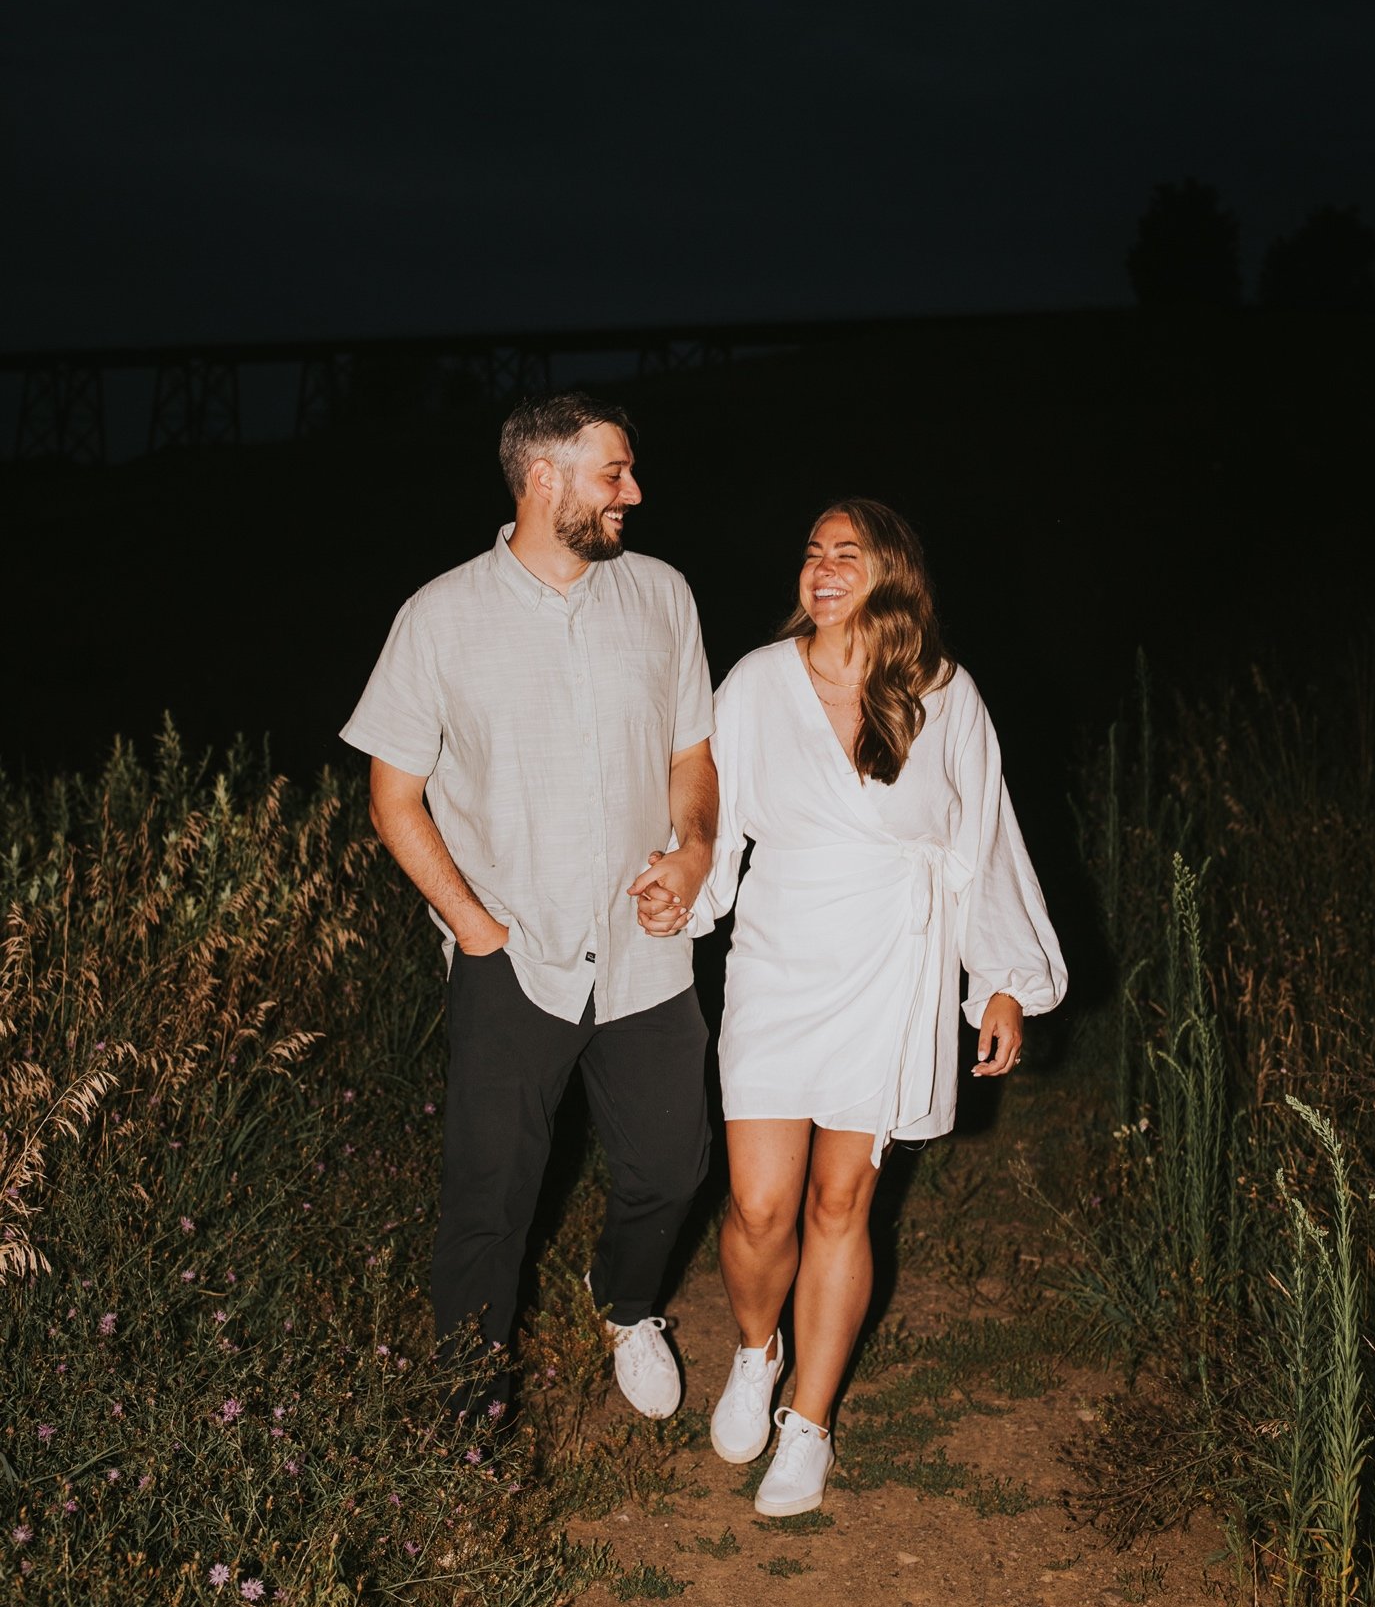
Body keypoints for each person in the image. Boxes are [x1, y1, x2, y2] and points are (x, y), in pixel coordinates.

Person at [636, 499, 1065, 1517]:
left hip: (893, 966)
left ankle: (811, 1423)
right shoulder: (755, 682)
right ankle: (756, 1348)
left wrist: (999, 974)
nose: (822, 568)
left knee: (841, 1202)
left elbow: (984, 838)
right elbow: (715, 823)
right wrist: (682, 881)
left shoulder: (945, 695)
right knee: (758, 1206)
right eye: (812, 552)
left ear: (892, 574)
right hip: (781, 962)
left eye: (848, 553)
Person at [341, 392, 717, 1434]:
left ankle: (626, 1301)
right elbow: (393, 796)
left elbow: (693, 749)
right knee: (488, 1203)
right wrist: (473, 925)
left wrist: (690, 852)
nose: (634, 492)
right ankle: (467, 1422)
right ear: (543, 479)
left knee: (672, 1165)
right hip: (514, 951)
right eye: (615, 473)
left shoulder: (663, 595)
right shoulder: (439, 617)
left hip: (647, 947)